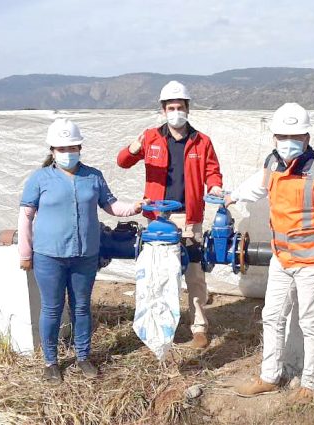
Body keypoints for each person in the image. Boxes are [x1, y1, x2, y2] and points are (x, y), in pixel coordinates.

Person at [225, 103, 314, 404]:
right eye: (282, 136)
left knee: (310, 322)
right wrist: (231, 196)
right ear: (274, 138)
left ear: (307, 137)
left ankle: (312, 384)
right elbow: (256, 186)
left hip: (311, 263)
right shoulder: (273, 164)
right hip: (281, 259)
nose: (288, 142)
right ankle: (270, 376)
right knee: (272, 316)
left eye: (295, 136)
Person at [19, 118, 144, 384]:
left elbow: (110, 206)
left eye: (73, 147)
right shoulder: (40, 179)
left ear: (80, 148)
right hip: (48, 256)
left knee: (81, 307)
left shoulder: (93, 176)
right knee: (52, 308)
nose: (68, 153)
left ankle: (83, 356)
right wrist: (25, 253)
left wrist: (135, 207)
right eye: (62, 149)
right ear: (52, 150)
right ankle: (51, 362)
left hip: (85, 255)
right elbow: (25, 216)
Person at [116, 80, 223, 349]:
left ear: (187, 109)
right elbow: (122, 162)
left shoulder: (201, 142)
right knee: (161, 274)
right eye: (171, 107)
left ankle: (198, 327)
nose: (176, 111)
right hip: (158, 219)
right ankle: (163, 326)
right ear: (164, 110)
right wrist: (133, 149)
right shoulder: (150, 137)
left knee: (195, 272)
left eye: (180, 107)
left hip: (189, 217)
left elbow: (212, 171)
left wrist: (216, 185)